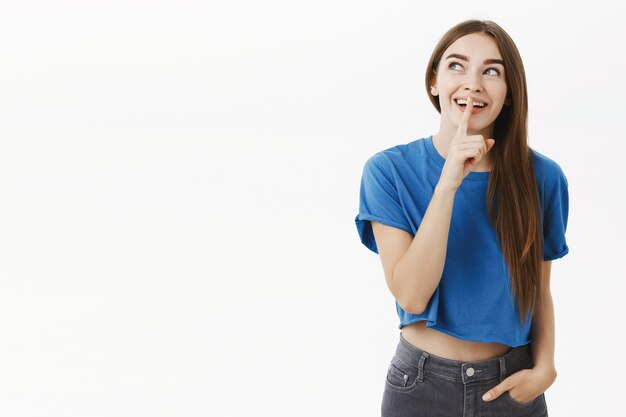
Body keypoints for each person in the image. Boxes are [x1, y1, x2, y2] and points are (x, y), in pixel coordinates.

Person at [354, 19, 569, 417]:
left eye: (491, 71)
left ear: (508, 94)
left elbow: (538, 290)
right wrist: (448, 183)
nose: (473, 83)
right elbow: (412, 295)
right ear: (433, 82)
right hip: (420, 388)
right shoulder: (388, 171)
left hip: (511, 387)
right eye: (456, 66)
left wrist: (545, 369)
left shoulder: (543, 177)